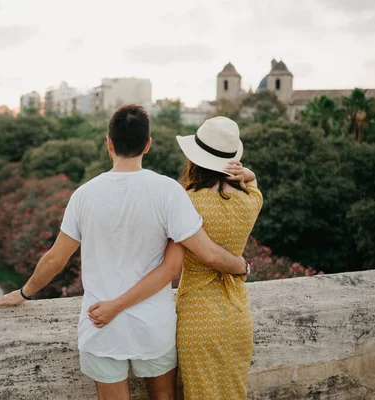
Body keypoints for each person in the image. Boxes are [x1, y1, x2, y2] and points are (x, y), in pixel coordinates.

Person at [0, 105, 250, 400]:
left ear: (109, 143)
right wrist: (242, 266)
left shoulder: (84, 195)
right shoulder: (168, 192)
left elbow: (55, 259)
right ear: (148, 144)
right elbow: (207, 257)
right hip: (154, 328)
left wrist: (25, 292)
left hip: (101, 326)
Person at [90, 117, 262, 399]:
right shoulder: (252, 200)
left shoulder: (187, 200)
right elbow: (252, 181)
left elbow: (173, 261)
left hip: (198, 315)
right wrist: (244, 173)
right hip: (237, 315)